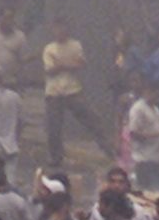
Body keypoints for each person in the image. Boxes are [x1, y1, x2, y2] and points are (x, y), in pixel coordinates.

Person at [42, 17, 114, 166]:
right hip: (54, 92)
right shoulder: (49, 48)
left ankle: (108, 149)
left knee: (92, 119)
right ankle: (56, 158)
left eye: (63, 28)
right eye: (57, 28)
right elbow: (50, 70)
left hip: (73, 90)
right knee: (53, 128)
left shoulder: (75, 45)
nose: (60, 32)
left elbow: (80, 64)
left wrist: (61, 64)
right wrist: (68, 64)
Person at [128, 80, 159, 191]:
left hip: (158, 159)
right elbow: (133, 133)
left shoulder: (155, 109)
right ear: (148, 92)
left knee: (158, 191)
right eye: (157, 95)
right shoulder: (138, 109)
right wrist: (158, 134)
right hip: (145, 159)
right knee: (146, 193)